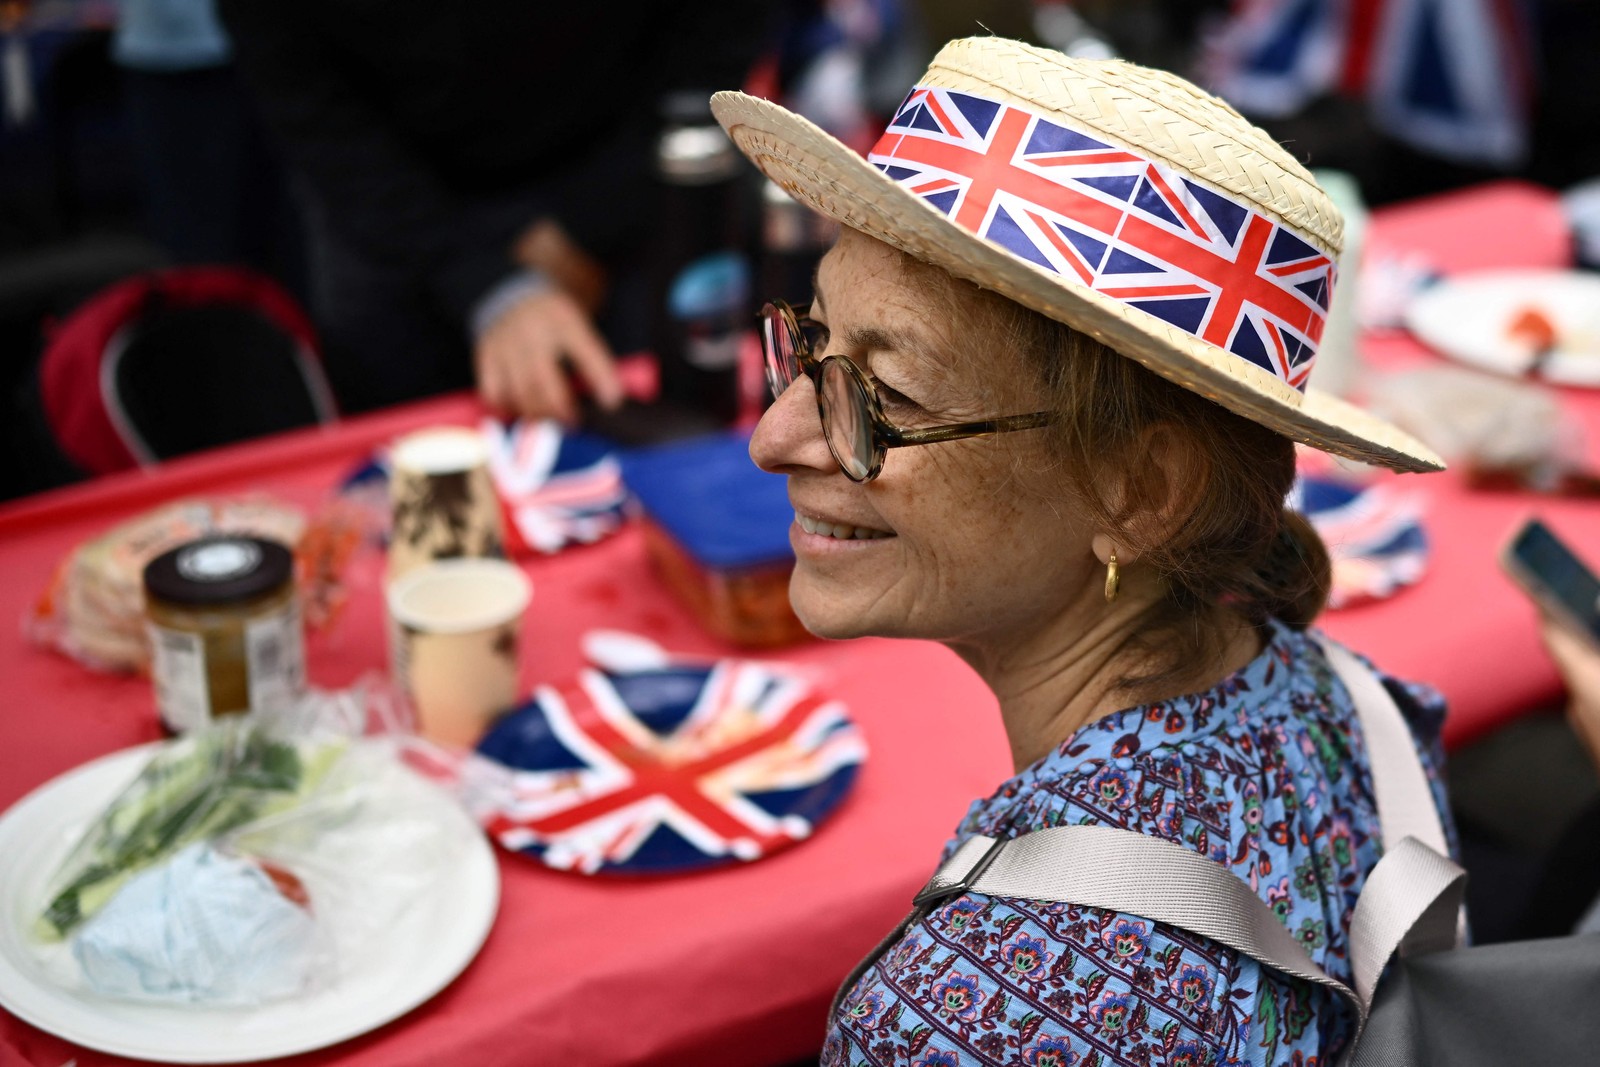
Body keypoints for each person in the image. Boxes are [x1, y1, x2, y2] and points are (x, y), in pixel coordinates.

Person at [714, 36, 1453, 1065]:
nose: (773, 437)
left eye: (888, 396)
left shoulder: (956, 1022)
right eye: (811, 345)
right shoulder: (1353, 706)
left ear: (1141, 493)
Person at [215, 1, 773, 423]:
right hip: (397, 207)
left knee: (678, 434)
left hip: (633, 162)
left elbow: (719, 37)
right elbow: (316, 114)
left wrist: (589, 222)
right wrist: (481, 278)